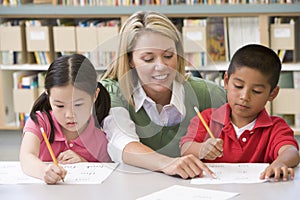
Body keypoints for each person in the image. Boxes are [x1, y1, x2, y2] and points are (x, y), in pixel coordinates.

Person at [100, 11, 226, 179]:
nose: (161, 66)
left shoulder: (209, 93)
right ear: (130, 59)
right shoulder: (112, 92)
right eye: (148, 59)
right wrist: (168, 163)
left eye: (168, 56)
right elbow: (120, 142)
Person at [180, 44, 300, 181]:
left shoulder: (275, 127)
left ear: (272, 94)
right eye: (238, 86)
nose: (244, 96)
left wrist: (280, 163)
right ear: (226, 81)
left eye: (256, 91)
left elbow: (291, 151)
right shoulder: (207, 119)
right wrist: (201, 149)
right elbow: (185, 149)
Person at [19, 54, 112, 184]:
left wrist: (84, 164)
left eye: (78, 105)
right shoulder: (40, 122)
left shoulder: (102, 138)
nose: (69, 114)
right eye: (60, 105)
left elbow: (107, 176)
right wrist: (44, 171)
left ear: (94, 95)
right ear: (48, 95)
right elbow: (26, 157)